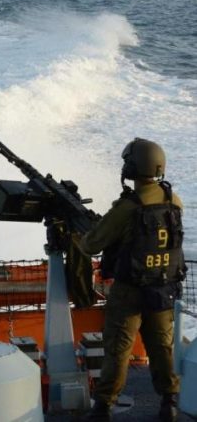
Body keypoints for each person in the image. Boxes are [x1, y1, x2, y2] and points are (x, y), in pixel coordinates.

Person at [79, 138, 186, 422]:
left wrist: (83, 234)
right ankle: (170, 402)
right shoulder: (174, 201)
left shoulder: (128, 206)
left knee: (118, 349)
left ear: (132, 167)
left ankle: (103, 407)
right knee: (162, 348)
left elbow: (92, 244)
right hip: (163, 289)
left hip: (129, 291)